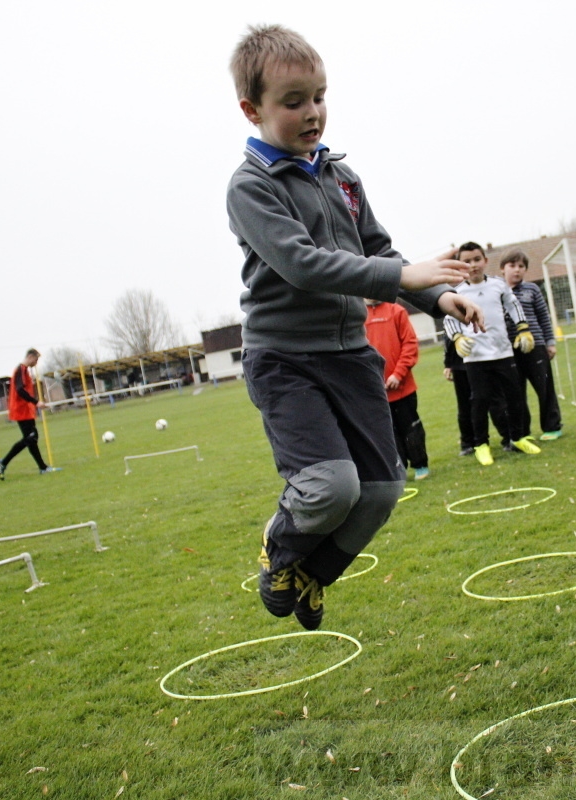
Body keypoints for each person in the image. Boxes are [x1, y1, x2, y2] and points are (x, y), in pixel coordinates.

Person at [226, 25, 483, 631]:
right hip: (285, 359)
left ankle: (313, 576)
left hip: (350, 354)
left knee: (380, 490)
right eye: (293, 102)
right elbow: (303, 265)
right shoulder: (251, 187)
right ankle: (280, 546)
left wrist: (440, 295)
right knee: (328, 488)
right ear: (252, 109)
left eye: (319, 96)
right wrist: (401, 271)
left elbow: (379, 252)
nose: (312, 113)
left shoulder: (341, 177)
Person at [443, 241, 542, 466]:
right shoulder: (456, 292)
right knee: (479, 401)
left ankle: (517, 438)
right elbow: (448, 320)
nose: (473, 265)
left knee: (515, 397)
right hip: (475, 357)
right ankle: (481, 445)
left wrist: (523, 329)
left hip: (503, 352)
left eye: (477, 259)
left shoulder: (498, 285)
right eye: (467, 261)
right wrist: (458, 338)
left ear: (485, 261)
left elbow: (513, 305)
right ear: (461, 265)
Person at [500, 249, 563, 441]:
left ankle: (552, 427)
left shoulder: (532, 290)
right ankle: (522, 433)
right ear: (503, 269)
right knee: (516, 393)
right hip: (509, 349)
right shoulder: (497, 291)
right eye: (512, 266)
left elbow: (544, 317)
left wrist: (550, 343)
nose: (517, 270)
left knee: (544, 387)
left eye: (521, 266)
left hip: (535, 347)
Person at [364, 299, 429, 480]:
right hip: (375, 392)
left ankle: (420, 465)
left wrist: (398, 374)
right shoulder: (357, 315)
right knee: (386, 435)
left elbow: (409, 344)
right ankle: (398, 471)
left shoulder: (396, 311)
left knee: (411, 428)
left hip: (403, 388)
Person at [0, 349, 59, 479]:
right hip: (21, 410)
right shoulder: (21, 370)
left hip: (26, 410)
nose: (36, 363)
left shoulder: (24, 371)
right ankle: (3, 462)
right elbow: (19, 390)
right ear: (30, 357)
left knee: (32, 439)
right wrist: (36, 402)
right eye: (36, 360)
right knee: (31, 437)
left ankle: (43, 468)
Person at [443, 336, 510, 456]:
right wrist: (448, 363)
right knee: (465, 404)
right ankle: (468, 443)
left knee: (495, 400)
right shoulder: (450, 318)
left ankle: (508, 437)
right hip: (460, 363)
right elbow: (448, 335)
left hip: (484, 359)